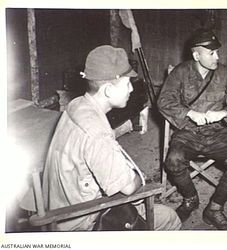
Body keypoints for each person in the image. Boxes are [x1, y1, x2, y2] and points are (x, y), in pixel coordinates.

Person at [42, 45, 181, 231]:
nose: (131, 89)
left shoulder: (76, 104)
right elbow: (129, 188)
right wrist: (140, 177)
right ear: (107, 90)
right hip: (81, 222)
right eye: (127, 84)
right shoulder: (98, 133)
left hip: (59, 205)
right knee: (169, 218)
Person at [157, 28, 227, 230]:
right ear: (196, 55)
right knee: (173, 160)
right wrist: (190, 114)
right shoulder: (180, 72)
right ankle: (191, 198)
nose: (217, 57)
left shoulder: (225, 74)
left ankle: (214, 209)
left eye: (217, 52)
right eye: (211, 53)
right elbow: (164, 101)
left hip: (219, 133)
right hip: (187, 132)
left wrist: (223, 113)